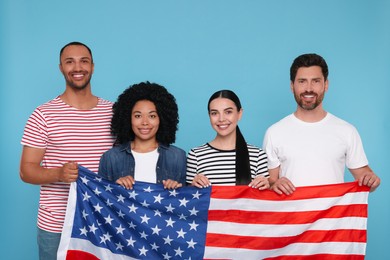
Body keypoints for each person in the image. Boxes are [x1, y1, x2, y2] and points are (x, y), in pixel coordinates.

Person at [20, 42, 115, 259]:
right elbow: (26, 170)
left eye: (84, 61)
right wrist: (58, 174)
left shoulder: (113, 112)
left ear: (93, 66)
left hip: (103, 221)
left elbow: (129, 161)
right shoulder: (43, 114)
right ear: (61, 68)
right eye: (69, 62)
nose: (77, 67)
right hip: (56, 226)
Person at [263, 53, 380, 195]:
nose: (309, 88)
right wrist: (275, 184)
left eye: (316, 81)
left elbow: (366, 179)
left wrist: (371, 180)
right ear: (292, 86)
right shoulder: (274, 133)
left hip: (333, 216)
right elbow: (269, 182)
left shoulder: (347, 131)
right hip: (292, 216)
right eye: (302, 81)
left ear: (326, 85)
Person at [98, 82, 186, 190]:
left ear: (161, 119)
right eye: (138, 115)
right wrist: (115, 188)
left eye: (152, 116)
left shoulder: (178, 157)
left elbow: (187, 200)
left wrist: (177, 189)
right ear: (128, 118)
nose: (145, 122)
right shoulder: (110, 158)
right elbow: (101, 198)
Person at [187, 90, 269, 189]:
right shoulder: (196, 155)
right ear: (209, 116)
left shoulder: (258, 156)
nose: (221, 119)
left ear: (240, 113)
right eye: (214, 113)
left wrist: (266, 187)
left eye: (228, 112)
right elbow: (190, 199)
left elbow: (262, 201)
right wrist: (192, 186)